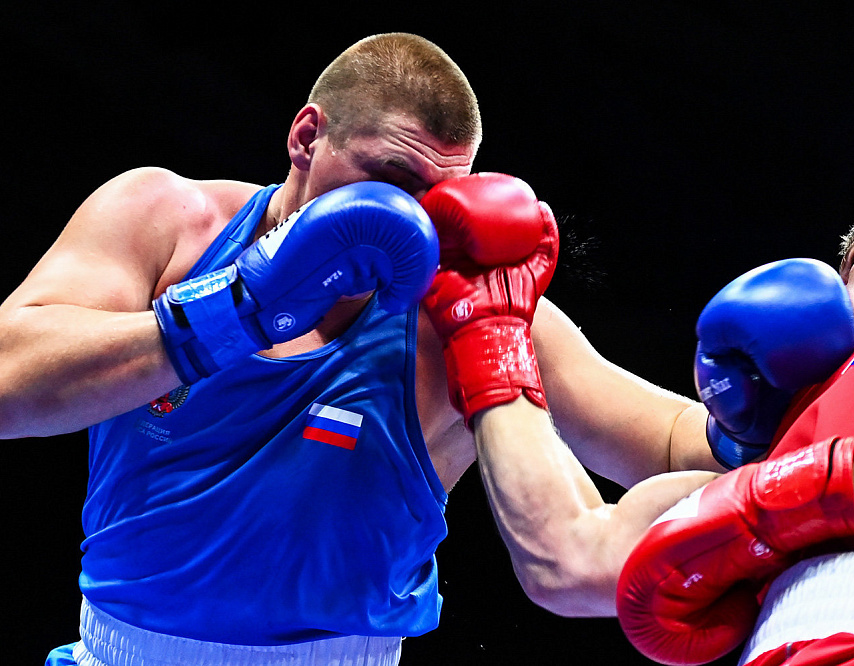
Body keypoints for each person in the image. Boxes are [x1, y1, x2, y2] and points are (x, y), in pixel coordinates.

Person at [0, 33, 722, 665]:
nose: (408, 222)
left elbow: (668, 443)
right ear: (307, 138)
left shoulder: (461, 311)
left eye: (440, 200)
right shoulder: (166, 222)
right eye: (389, 182)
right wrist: (237, 312)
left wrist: (805, 405)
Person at [443, 181, 854, 666]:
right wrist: (494, 325)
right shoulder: (794, 433)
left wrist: (792, 498)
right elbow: (570, 561)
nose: (840, 309)